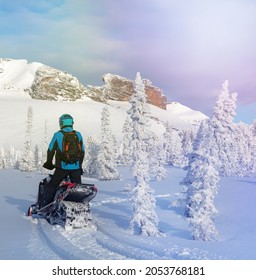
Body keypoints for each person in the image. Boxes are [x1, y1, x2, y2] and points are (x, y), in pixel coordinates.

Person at [42, 114, 85, 207]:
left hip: (62, 167)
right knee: (77, 188)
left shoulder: (58, 134)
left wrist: (49, 163)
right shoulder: (78, 134)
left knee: (52, 185)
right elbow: (82, 152)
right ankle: (79, 206)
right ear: (71, 123)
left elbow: (50, 150)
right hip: (76, 167)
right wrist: (79, 166)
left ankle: (46, 205)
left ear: (61, 123)